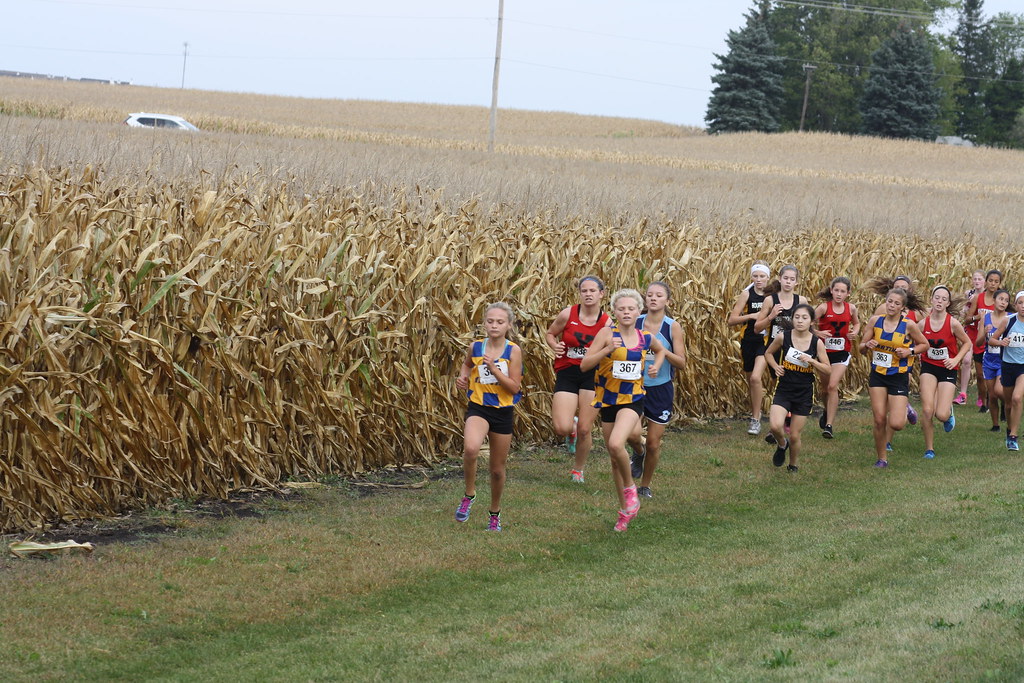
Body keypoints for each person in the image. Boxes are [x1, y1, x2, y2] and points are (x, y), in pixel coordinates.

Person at [581, 289, 666, 532]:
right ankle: (625, 511)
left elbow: (660, 351)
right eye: (622, 308)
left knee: (617, 444)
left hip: (632, 400)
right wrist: (606, 350)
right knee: (615, 461)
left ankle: (631, 490)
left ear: (639, 311)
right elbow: (586, 364)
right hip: (607, 400)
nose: (626, 312)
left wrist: (655, 366)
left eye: (631, 309)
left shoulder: (645, 337)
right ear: (614, 312)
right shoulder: (607, 333)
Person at [454, 303, 523, 531]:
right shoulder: (476, 347)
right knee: (471, 448)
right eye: (490, 321)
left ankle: (494, 513)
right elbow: (466, 366)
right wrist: (462, 378)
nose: (494, 326)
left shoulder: (513, 351)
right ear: (484, 323)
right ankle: (469, 494)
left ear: (508, 325)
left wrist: (494, 370)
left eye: (500, 322)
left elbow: (514, 387)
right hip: (479, 407)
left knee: (496, 469)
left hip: (502, 412)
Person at [545, 275, 611, 483]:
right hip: (568, 372)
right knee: (562, 428)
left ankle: (578, 470)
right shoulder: (568, 314)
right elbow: (550, 333)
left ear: (601, 294)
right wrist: (554, 346)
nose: (588, 294)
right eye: (584, 291)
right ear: (580, 293)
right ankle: (570, 428)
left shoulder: (606, 322)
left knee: (585, 428)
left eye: (593, 291)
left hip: (592, 375)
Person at [626, 282, 687, 498]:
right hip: (635, 387)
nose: (653, 298)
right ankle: (637, 451)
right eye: (649, 294)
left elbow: (681, 363)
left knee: (653, 443)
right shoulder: (636, 322)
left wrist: (660, 351)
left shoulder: (672, 327)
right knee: (632, 434)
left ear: (667, 301)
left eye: (659, 295)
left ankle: (645, 485)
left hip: (661, 389)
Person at [859, 287, 929, 467]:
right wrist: (868, 344)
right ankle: (882, 458)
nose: (892, 305)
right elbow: (861, 348)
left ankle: (904, 410)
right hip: (878, 375)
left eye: (897, 303)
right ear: (885, 301)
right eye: (890, 301)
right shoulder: (875, 321)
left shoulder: (908, 325)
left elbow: (924, 345)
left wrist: (909, 351)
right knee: (879, 419)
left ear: (902, 307)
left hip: (898, 375)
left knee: (897, 423)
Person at [764, 304, 831, 472]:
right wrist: (775, 366)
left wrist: (813, 361)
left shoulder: (817, 343)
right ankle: (781, 444)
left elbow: (828, 369)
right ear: (792, 319)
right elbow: (768, 353)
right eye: (797, 317)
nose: (800, 321)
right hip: (784, 389)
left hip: (804, 392)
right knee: (774, 426)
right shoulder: (783, 337)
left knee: (794, 435)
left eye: (804, 318)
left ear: (811, 322)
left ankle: (792, 465)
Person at [917, 286, 971, 459]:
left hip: (948, 368)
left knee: (940, 414)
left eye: (943, 299)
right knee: (927, 410)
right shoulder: (923, 323)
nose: (939, 301)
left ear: (948, 303)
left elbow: (968, 343)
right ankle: (929, 449)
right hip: (928, 367)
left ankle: (948, 414)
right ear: (931, 300)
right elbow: (911, 338)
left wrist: (956, 360)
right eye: (937, 298)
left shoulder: (953, 323)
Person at [727, 262, 771, 435]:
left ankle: (755, 419)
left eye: (762, 276)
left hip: (765, 341)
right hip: (748, 341)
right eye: (756, 276)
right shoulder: (747, 294)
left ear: (768, 277)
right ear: (751, 277)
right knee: (750, 380)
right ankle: (758, 410)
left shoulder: (772, 295)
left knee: (755, 378)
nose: (759, 279)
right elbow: (731, 320)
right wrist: (752, 315)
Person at [814, 277, 860, 439]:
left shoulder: (851, 308)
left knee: (833, 386)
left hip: (842, 353)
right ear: (831, 291)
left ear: (848, 293)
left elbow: (857, 323)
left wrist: (854, 332)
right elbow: (807, 323)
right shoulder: (823, 308)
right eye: (836, 290)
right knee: (825, 388)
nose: (839, 294)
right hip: (824, 354)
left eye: (843, 291)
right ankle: (827, 411)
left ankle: (829, 426)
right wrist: (818, 333)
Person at [986, 292, 1024, 451]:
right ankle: (1010, 430)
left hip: (1023, 367)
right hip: (1008, 366)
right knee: (1008, 404)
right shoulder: (1008, 321)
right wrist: (1002, 342)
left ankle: (1013, 437)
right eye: (1020, 303)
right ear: (1016, 305)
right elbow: (992, 340)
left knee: (1016, 398)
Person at [964, 269, 1004, 411]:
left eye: (996, 281)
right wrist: (977, 318)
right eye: (990, 280)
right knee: (981, 376)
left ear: (999, 283)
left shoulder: (1002, 299)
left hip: (996, 343)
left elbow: (1010, 316)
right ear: (986, 281)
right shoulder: (978, 298)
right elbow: (967, 319)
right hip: (980, 341)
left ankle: (999, 401)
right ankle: (984, 401)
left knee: (997, 375)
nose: (993, 284)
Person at [981, 289, 1011, 432]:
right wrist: (985, 333)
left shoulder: (1011, 318)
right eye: (1001, 299)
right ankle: (995, 425)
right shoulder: (986, 318)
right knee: (992, 395)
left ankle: (1007, 404)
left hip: (1004, 360)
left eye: (1006, 300)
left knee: (999, 391)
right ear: (994, 300)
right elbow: (978, 343)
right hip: (989, 360)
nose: (1003, 302)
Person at [958, 269, 986, 404]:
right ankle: (963, 394)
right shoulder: (968, 294)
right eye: (975, 279)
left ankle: (982, 395)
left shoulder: (989, 296)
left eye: (979, 279)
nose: (977, 282)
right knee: (967, 361)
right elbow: (963, 313)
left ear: (984, 281)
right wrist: (964, 311)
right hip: (969, 330)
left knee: (981, 366)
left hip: (983, 332)